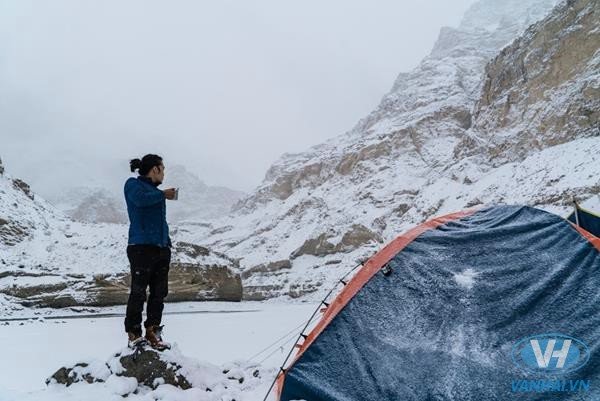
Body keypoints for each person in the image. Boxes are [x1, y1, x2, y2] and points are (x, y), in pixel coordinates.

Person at [123, 154, 177, 350]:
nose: (163, 174)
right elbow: (139, 201)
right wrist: (163, 194)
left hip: (161, 248)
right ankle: (134, 334)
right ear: (155, 169)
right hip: (141, 247)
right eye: (162, 169)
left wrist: (167, 243)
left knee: (159, 292)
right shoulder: (133, 185)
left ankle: (153, 331)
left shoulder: (155, 192)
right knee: (138, 291)